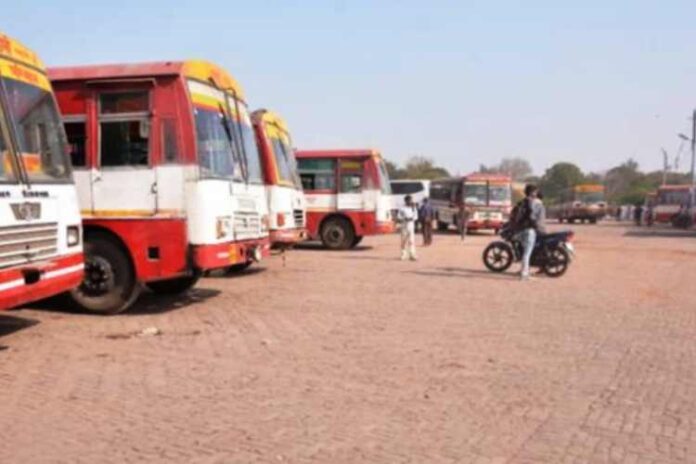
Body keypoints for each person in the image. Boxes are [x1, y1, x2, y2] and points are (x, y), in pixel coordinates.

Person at [514, 184, 546, 280]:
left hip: (521, 230)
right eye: (535, 191)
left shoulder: (523, 202)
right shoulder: (535, 203)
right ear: (532, 192)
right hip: (530, 230)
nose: (536, 193)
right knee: (527, 253)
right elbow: (535, 218)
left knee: (525, 252)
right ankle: (524, 274)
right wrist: (537, 227)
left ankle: (523, 270)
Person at [397, 195, 418, 261]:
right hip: (404, 226)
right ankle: (403, 254)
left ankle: (412, 254)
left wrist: (412, 218)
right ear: (406, 201)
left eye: (411, 200)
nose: (411, 201)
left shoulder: (413, 208)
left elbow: (416, 216)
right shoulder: (402, 208)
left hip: (411, 226)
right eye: (409, 200)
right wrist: (404, 218)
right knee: (403, 241)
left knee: (411, 241)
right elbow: (399, 216)